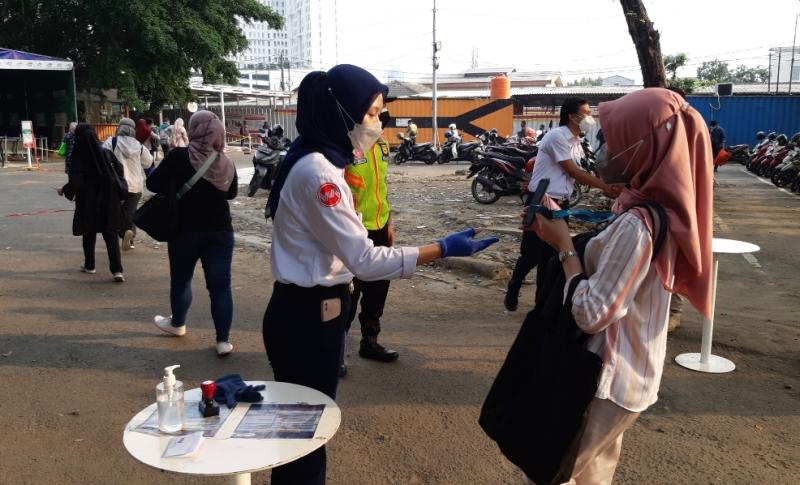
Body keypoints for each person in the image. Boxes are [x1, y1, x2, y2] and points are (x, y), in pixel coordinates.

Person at [262, 64, 498, 485]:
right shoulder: (319, 173)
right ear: (342, 112)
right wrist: (441, 249)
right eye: (372, 113)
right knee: (305, 439)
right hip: (308, 317)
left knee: (300, 434)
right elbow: (366, 261)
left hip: (310, 312)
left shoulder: (320, 158)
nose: (379, 122)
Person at [525, 88, 713, 484]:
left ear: (641, 147)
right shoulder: (658, 210)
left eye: (613, 139)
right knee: (592, 475)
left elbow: (592, 313)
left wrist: (562, 247)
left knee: (551, 474)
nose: (603, 149)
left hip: (604, 381)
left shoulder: (637, 224)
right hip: (630, 375)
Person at [505, 98, 621, 312]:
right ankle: (513, 288)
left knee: (551, 257)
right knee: (531, 254)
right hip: (542, 200)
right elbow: (572, 171)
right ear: (572, 116)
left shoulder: (576, 141)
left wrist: (607, 181)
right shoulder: (557, 136)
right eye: (586, 113)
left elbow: (582, 169)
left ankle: (540, 304)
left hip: (561, 204)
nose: (590, 118)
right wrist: (604, 186)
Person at [147, 110, 238, 357]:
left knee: (181, 280)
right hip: (221, 232)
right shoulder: (226, 162)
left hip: (184, 231)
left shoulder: (178, 156)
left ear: (195, 129)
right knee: (221, 288)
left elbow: (152, 184)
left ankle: (178, 324)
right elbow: (231, 194)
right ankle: (223, 341)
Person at [341, 108, 398, 374]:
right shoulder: (345, 144)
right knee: (350, 292)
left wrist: (389, 222)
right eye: (374, 117)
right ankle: (336, 350)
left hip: (380, 226)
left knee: (378, 289)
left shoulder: (382, 143)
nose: (379, 123)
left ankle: (370, 341)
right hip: (353, 229)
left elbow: (381, 185)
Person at [57, 124, 127, 282]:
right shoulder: (106, 153)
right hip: (109, 200)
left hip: (88, 201)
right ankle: (117, 270)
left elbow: (76, 182)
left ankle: (90, 265)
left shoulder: (78, 157)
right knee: (110, 234)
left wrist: (64, 190)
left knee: (88, 232)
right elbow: (119, 170)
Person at [103, 118, 152, 251]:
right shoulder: (139, 146)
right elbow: (148, 162)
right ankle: (129, 238)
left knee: (115, 212)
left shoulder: (111, 142)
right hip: (135, 185)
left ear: (119, 128)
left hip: (116, 185)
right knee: (130, 212)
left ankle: (123, 233)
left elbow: (103, 159)